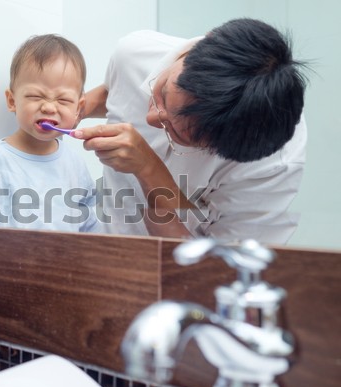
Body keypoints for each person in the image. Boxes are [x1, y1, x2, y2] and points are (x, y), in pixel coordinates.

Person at [74, 18, 308, 244]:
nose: (151, 117)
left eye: (176, 133)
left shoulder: (271, 165)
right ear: (205, 41)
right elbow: (114, 91)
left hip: (171, 276)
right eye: (162, 92)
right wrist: (66, 107)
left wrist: (149, 169)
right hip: (103, 251)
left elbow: (214, 271)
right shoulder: (135, 53)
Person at [0, 34, 99, 233]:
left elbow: (91, 228)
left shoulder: (76, 165)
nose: (49, 107)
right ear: (12, 101)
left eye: (63, 100)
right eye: (35, 96)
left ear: (78, 108)